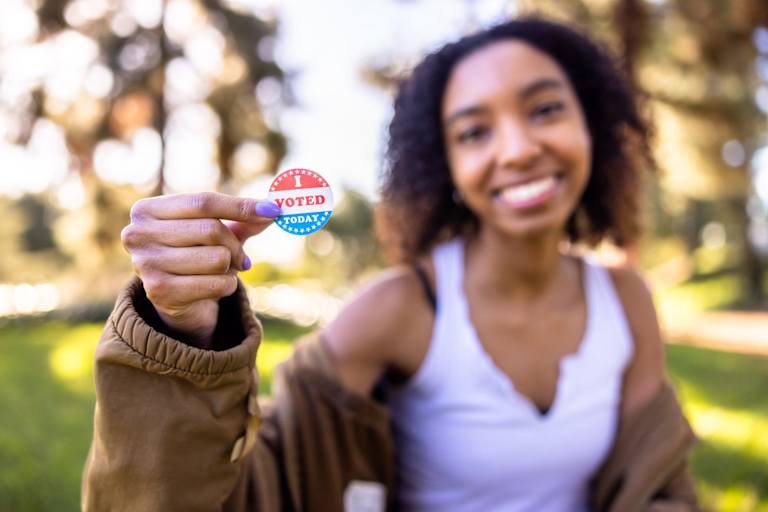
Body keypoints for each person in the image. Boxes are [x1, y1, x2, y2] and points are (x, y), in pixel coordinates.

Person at [82, 17, 700, 512]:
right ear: (444, 166)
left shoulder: (626, 300)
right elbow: (255, 486)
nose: (516, 149)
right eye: (474, 133)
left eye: (544, 110)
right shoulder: (401, 308)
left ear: (591, 123)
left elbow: (652, 481)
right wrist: (184, 334)